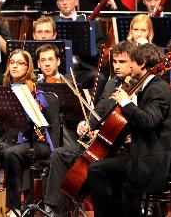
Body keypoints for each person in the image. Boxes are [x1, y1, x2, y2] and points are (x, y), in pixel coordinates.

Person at [87, 43, 171, 217]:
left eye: (132, 62)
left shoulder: (157, 89)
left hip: (155, 160)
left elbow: (148, 120)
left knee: (97, 170)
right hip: (147, 153)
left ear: (142, 64)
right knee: (109, 167)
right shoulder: (150, 86)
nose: (129, 66)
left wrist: (126, 102)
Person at [43, 40, 138, 216]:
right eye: (115, 62)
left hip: (121, 149)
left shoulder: (138, 88)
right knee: (59, 154)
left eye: (122, 62)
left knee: (93, 168)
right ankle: (55, 210)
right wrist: (86, 124)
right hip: (101, 142)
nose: (116, 66)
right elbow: (99, 110)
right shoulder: (111, 83)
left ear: (134, 62)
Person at [0, 49, 53, 212]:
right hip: (10, 141)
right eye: (12, 62)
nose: (15, 66)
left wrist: (32, 107)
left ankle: (13, 208)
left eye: (20, 63)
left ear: (28, 68)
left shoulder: (36, 92)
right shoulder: (4, 90)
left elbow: (41, 122)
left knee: (12, 153)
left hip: (34, 141)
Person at [54, 0, 105, 90]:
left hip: (84, 68)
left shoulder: (90, 22)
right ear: (57, 4)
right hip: (59, 69)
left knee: (99, 78)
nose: (64, 2)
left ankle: (93, 107)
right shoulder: (50, 22)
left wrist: (84, 48)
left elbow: (99, 50)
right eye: (61, 0)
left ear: (76, 1)